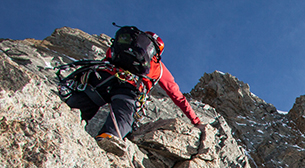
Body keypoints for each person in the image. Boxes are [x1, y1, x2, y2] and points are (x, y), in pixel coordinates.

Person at [64, 26, 202, 156]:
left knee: (82, 105)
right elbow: (177, 96)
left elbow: (106, 60)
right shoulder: (158, 66)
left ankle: (64, 120)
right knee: (122, 116)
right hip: (128, 88)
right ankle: (109, 137)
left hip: (101, 79)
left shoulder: (120, 47)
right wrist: (195, 121)